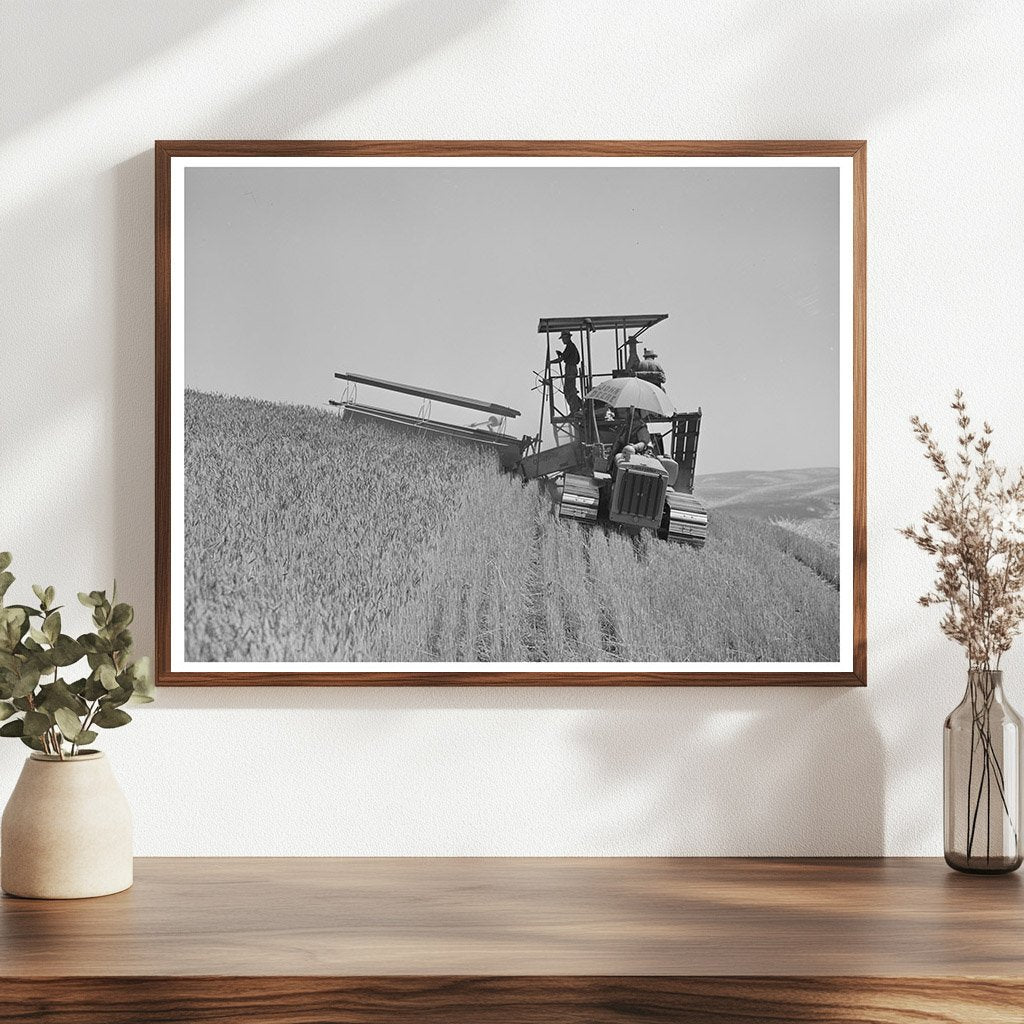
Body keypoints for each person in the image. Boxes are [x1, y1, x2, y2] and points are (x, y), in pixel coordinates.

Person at [554, 330, 581, 413]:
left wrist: (550, 362)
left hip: (571, 369)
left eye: (563, 338)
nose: (563, 340)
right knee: (569, 390)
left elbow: (561, 359)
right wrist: (562, 354)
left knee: (570, 390)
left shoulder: (570, 346)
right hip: (570, 369)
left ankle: (575, 409)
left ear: (567, 338)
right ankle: (578, 407)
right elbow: (565, 357)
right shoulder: (570, 347)